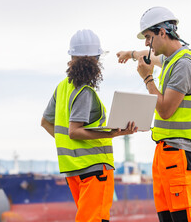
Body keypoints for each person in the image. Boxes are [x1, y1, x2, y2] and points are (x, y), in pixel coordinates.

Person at [116, 7, 191, 222]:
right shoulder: (170, 60)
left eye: (148, 37)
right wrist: (130, 54)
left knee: (182, 217)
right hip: (165, 153)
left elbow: (166, 110)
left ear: (162, 33)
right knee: (167, 217)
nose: (146, 44)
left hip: (179, 152)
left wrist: (148, 79)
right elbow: (149, 57)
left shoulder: (184, 65)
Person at [41, 29, 138, 222]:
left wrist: (73, 147)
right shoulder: (84, 90)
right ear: (95, 60)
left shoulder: (62, 87)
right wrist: (111, 135)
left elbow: (45, 122)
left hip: (73, 172)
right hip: (94, 172)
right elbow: (75, 131)